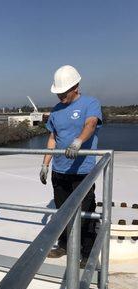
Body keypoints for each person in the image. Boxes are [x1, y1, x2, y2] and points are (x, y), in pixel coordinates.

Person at [39, 65, 102, 265]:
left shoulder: (90, 103)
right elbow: (52, 138)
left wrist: (78, 141)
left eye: (63, 92)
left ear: (75, 86)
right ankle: (64, 244)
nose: (60, 96)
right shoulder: (56, 111)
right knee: (62, 211)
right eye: (58, 93)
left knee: (84, 213)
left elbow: (91, 124)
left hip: (82, 172)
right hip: (60, 170)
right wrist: (45, 164)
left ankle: (86, 252)